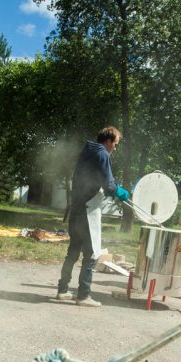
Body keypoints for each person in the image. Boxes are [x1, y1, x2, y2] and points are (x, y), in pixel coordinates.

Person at [56, 126, 128, 307]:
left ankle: (63, 290)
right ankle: (83, 295)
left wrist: (113, 186)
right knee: (92, 253)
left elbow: (98, 177)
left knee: (73, 251)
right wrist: (118, 191)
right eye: (116, 144)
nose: (115, 148)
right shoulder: (102, 154)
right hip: (88, 210)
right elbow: (108, 184)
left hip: (77, 208)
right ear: (109, 140)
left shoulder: (87, 151)